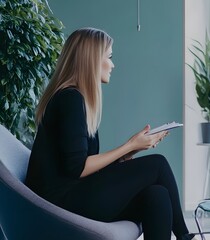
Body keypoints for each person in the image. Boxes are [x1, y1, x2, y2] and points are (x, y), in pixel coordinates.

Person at [25, 28, 195, 240]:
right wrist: (130, 145)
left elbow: (79, 165)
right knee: (157, 164)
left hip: (75, 194)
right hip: (61, 203)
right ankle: (186, 237)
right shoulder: (70, 99)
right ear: (92, 60)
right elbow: (77, 169)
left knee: (157, 196)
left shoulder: (76, 99)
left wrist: (126, 155)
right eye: (109, 57)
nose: (113, 64)